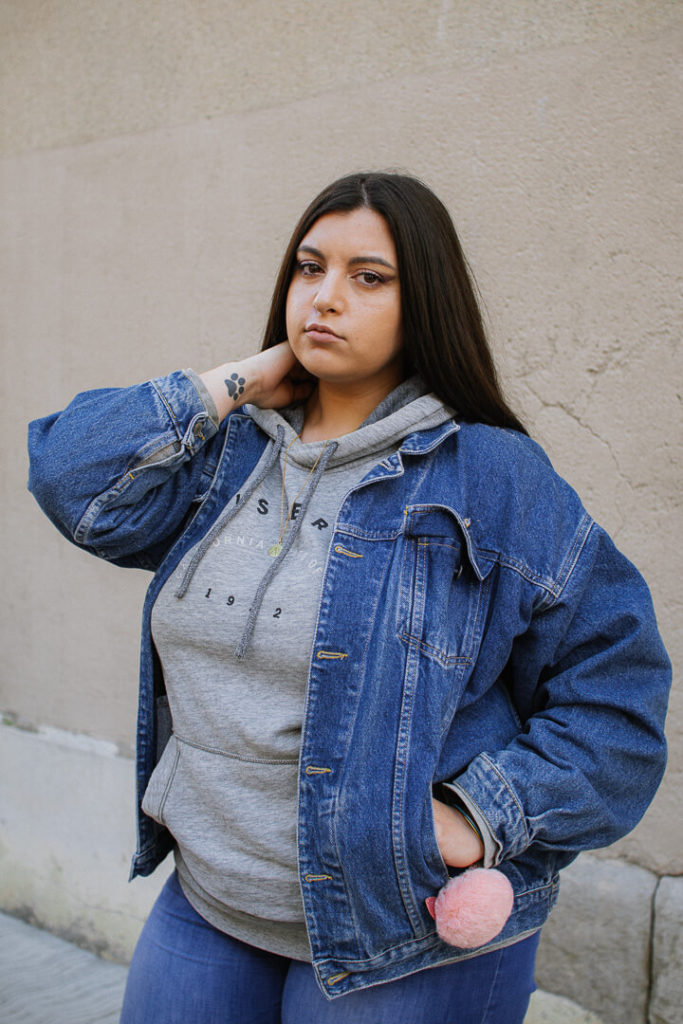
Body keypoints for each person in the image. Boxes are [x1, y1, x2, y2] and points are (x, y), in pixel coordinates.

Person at [27, 172, 671, 1024]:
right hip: (211, 899)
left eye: (368, 277)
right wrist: (247, 379)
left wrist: (479, 816)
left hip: (398, 933)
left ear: (424, 303)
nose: (325, 298)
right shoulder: (229, 461)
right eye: (307, 268)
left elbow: (616, 696)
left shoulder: (492, 477)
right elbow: (69, 473)